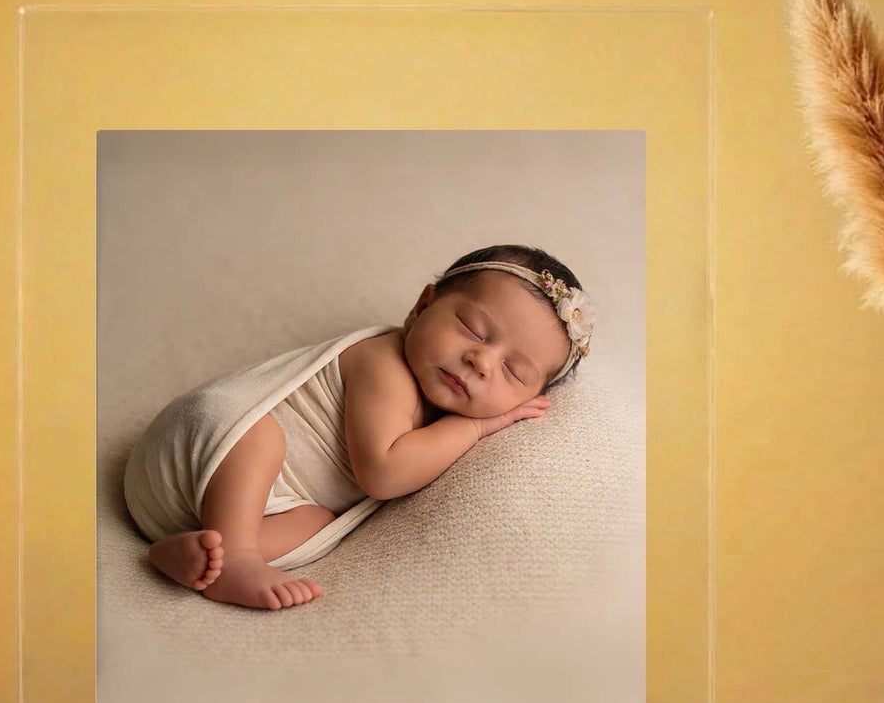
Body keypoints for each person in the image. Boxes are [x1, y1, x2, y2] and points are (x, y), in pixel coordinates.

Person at [123, 244, 594, 610]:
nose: (482, 361)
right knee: (260, 438)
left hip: (213, 514)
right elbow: (384, 472)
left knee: (316, 522)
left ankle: (201, 555)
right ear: (422, 305)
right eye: (473, 329)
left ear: (532, 397)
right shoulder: (384, 362)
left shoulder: (438, 405)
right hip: (191, 453)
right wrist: (475, 429)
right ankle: (239, 561)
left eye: (513, 372)